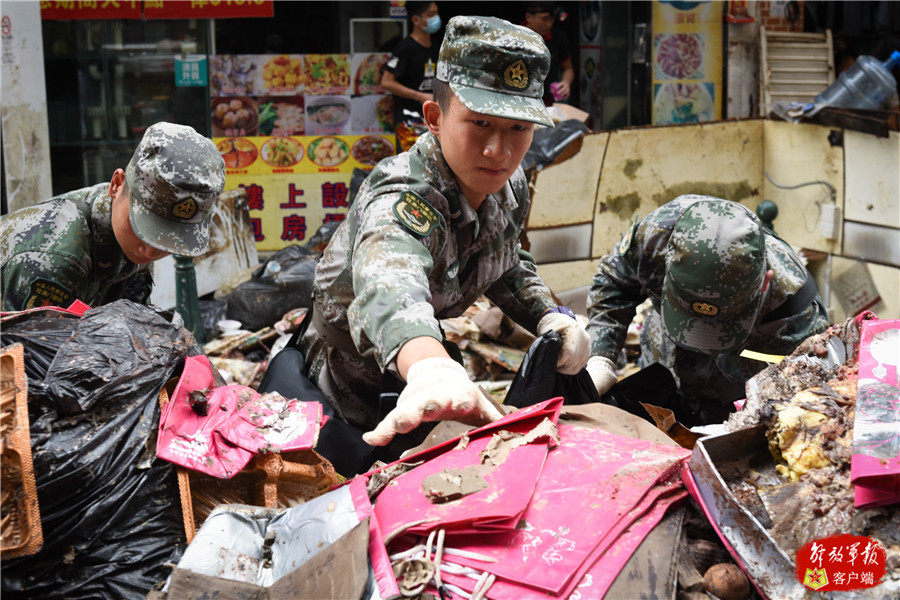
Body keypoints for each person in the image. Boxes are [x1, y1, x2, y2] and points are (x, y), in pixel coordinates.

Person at [299, 15, 590, 449]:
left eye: (518, 128)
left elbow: (504, 260)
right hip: (345, 382)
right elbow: (388, 278)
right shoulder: (404, 195)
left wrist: (550, 314)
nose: (499, 151)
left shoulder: (507, 185)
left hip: (432, 379)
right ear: (435, 118)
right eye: (480, 123)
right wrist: (429, 366)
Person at [584, 195, 831, 425]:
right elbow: (614, 284)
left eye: (720, 323)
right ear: (666, 268)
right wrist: (601, 356)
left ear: (765, 283)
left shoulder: (796, 312)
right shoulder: (655, 239)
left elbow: (801, 399)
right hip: (662, 369)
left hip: (734, 403)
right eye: (688, 313)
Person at [1, 122, 225, 312]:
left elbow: (133, 323)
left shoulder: (128, 237)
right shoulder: (56, 256)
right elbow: (32, 346)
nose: (151, 251)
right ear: (116, 185)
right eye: (145, 229)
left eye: (168, 238)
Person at [381, 1, 442, 151]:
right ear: (415, 19)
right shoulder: (404, 48)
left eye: (436, 13)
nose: (436, 18)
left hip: (433, 118)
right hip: (408, 120)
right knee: (412, 161)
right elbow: (387, 82)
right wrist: (419, 96)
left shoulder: (437, 47)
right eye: (431, 14)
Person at [523, 1, 574, 105]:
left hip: (547, 100)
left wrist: (566, 83)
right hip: (519, 98)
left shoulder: (558, 37)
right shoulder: (513, 35)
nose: (549, 24)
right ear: (528, 17)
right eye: (544, 19)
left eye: (552, 19)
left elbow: (568, 68)